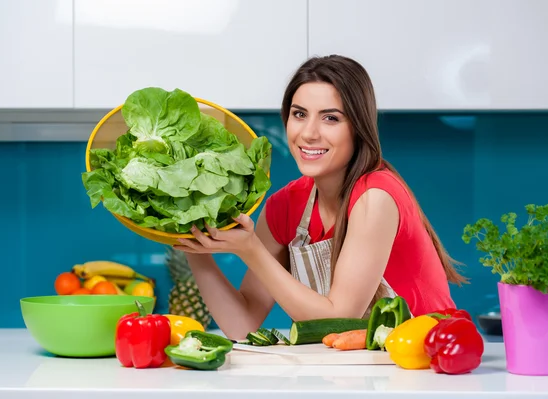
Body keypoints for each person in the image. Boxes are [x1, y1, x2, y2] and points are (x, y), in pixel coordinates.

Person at [175, 54, 466, 340]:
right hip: (351, 368)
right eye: (299, 114)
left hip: (427, 365)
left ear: (358, 127)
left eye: (330, 118)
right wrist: (192, 247)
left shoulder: (375, 197)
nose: (309, 133)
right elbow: (243, 324)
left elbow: (340, 320)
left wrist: (251, 249)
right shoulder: (285, 206)